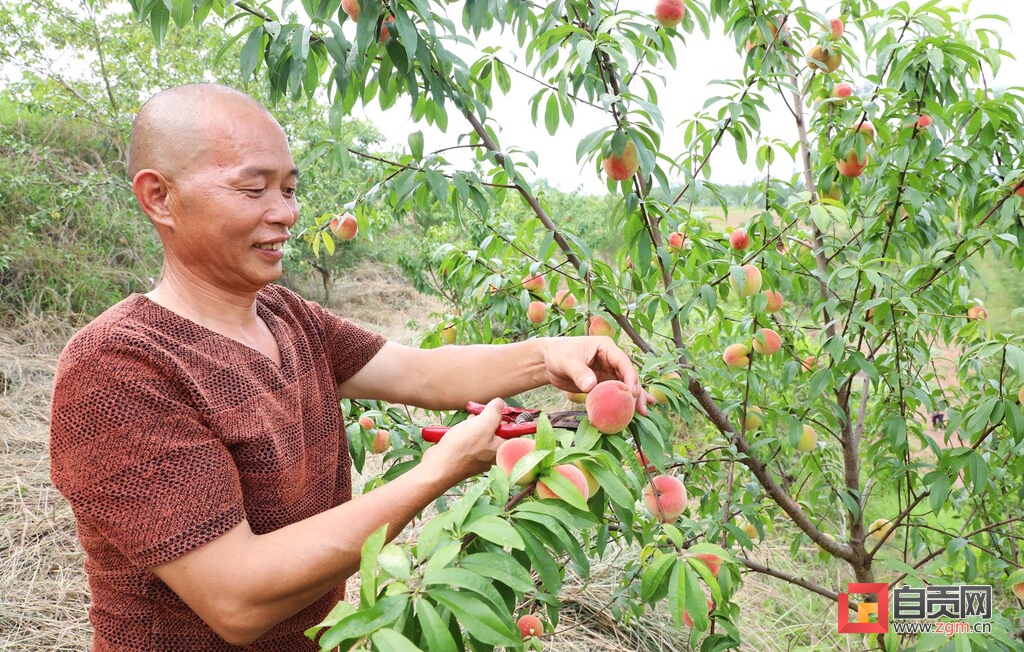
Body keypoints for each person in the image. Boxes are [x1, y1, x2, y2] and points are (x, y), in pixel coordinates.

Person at [49, 83, 650, 651]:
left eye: (288, 188)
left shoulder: (287, 317)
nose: (285, 212)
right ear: (160, 196)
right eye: (254, 190)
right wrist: (438, 471)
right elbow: (237, 599)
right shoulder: (118, 369)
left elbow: (419, 373)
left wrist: (546, 355)